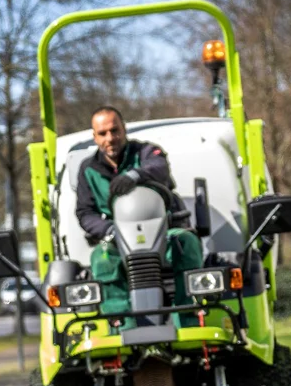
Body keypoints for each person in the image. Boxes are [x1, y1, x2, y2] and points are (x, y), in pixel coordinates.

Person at [74, 106, 202, 316]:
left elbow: (159, 167)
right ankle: (121, 321)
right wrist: (109, 230)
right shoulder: (88, 169)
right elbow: (85, 212)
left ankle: (188, 315)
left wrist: (134, 176)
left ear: (124, 129)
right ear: (95, 137)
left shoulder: (146, 152)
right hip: (117, 239)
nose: (110, 138)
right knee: (102, 257)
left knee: (186, 243)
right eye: (103, 133)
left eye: (115, 130)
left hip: (163, 232)